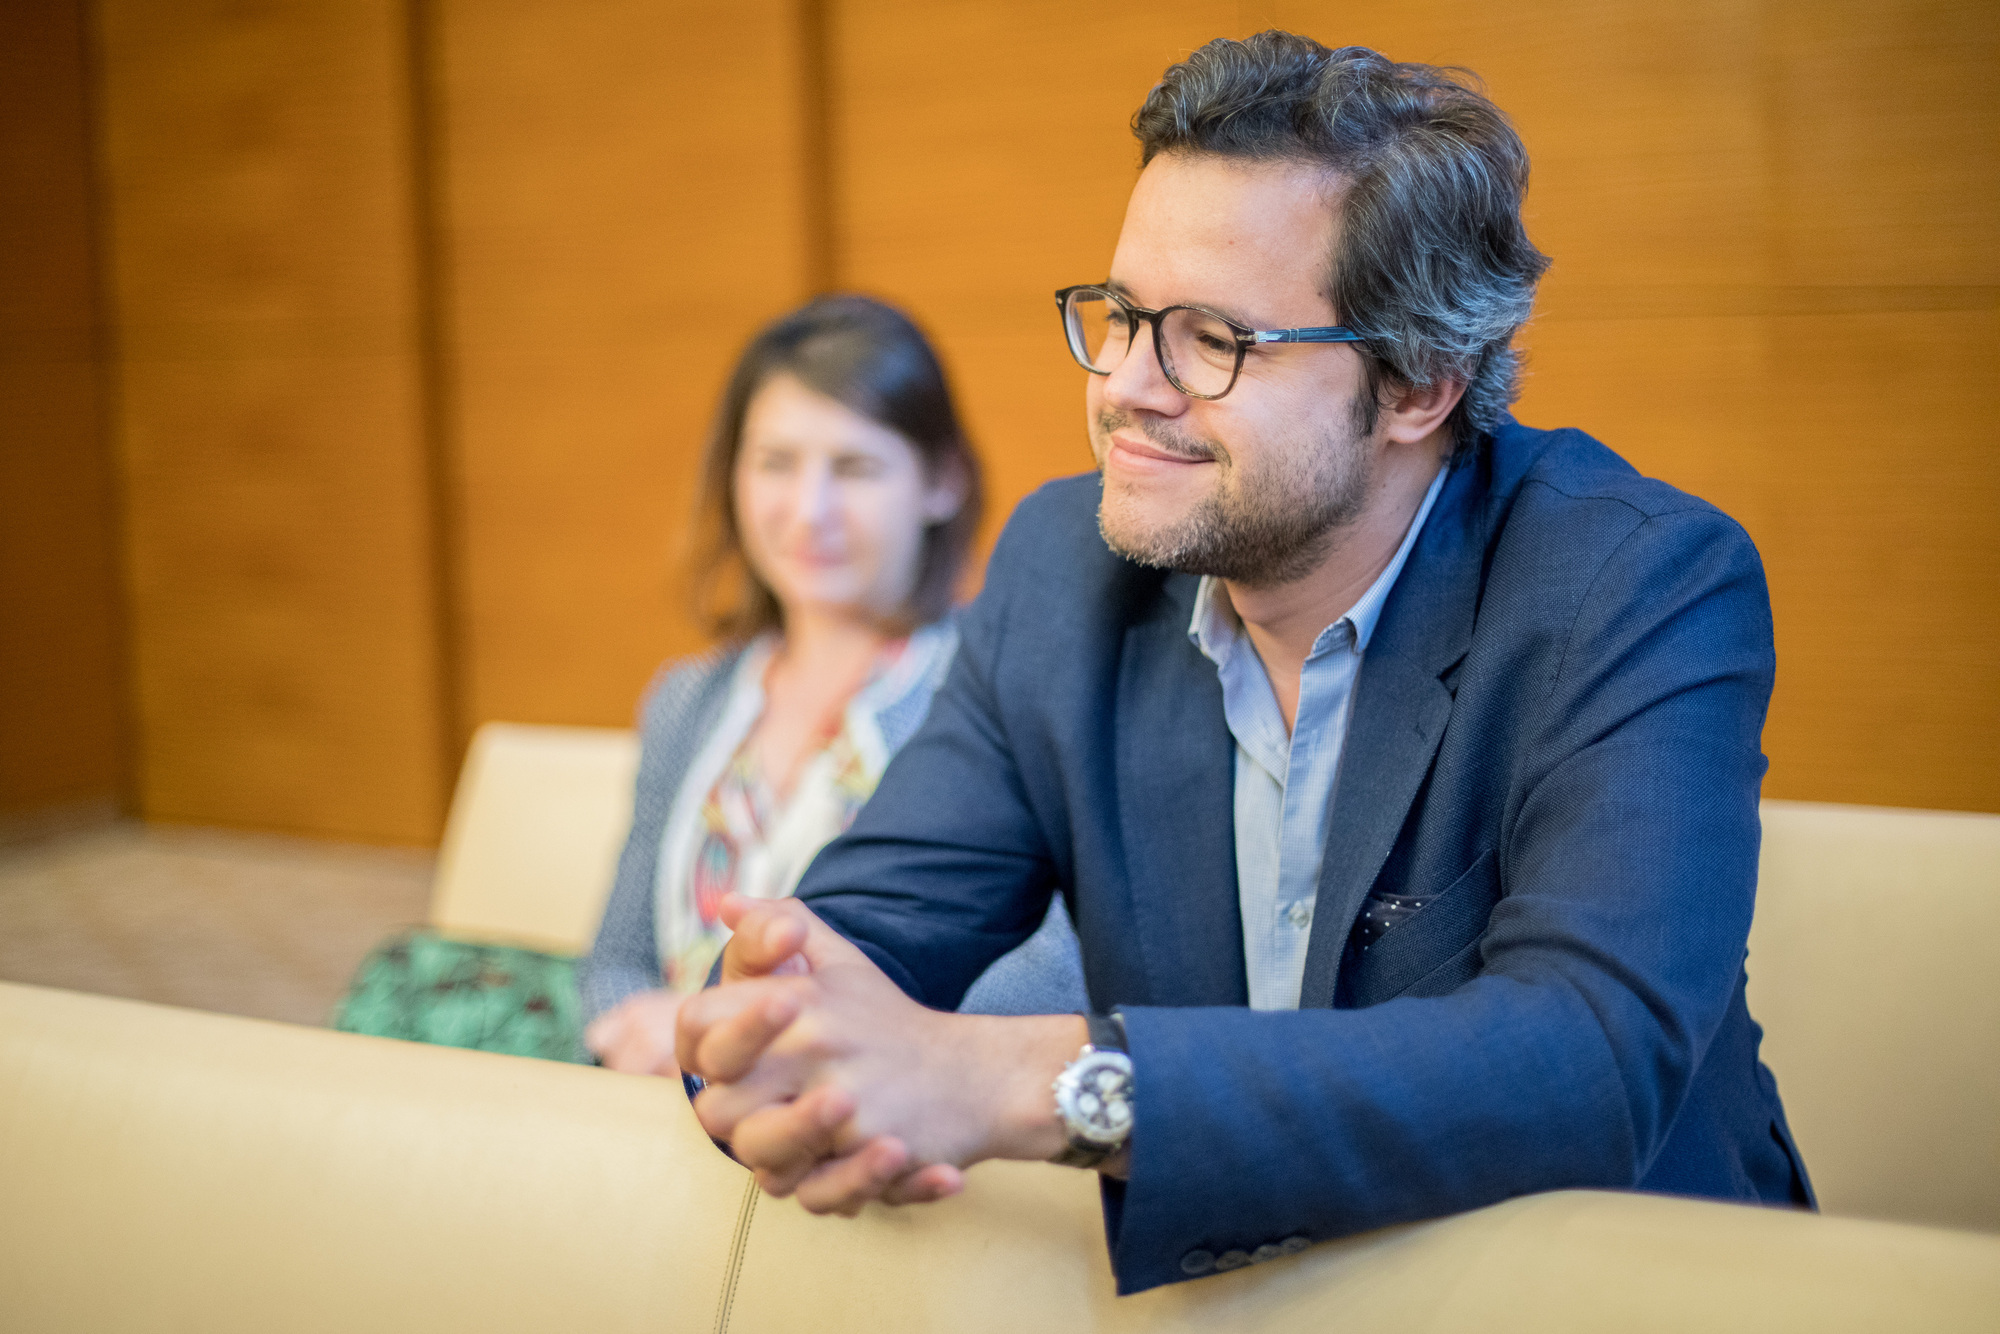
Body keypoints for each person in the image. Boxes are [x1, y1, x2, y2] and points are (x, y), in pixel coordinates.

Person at [673, 34, 1813, 1295]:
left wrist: (1030, 1079)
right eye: (1119, 316)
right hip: (1242, 1297)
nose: (1125, 386)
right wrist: (771, 1024)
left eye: (1209, 338)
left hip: (1610, 1291)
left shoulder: (1635, 581)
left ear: (1417, 386)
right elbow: (865, 928)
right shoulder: (1065, 571)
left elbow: (1588, 1059)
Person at [579, 295, 1087, 1076]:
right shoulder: (685, 700)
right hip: (664, 1120)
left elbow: (1041, 979)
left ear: (942, 482)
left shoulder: (995, 691)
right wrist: (666, 1037)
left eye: (854, 468)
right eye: (775, 463)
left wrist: (736, 1029)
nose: (809, 511)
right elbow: (614, 962)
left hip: (883, 1118)